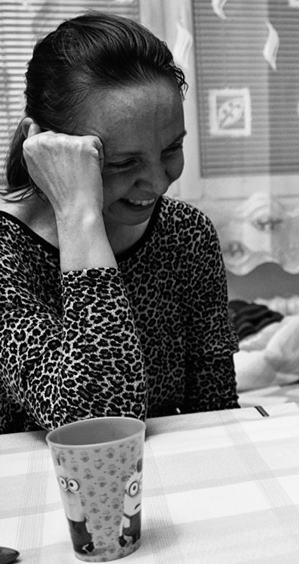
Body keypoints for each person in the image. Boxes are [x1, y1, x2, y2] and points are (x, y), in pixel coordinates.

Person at [0, 12, 239, 434]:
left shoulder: (187, 234)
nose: (158, 182)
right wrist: (79, 214)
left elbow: (216, 411)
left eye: (171, 150)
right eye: (122, 163)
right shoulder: (6, 253)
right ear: (44, 147)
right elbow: (95, 424)